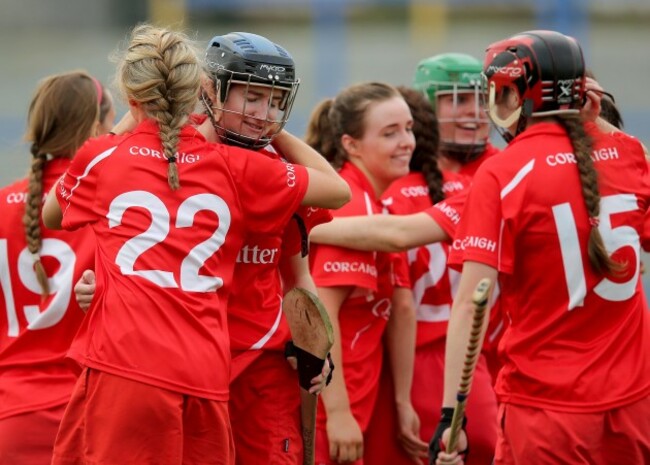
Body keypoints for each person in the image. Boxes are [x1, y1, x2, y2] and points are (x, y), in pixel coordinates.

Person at [42, 24, 349, 465]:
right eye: (253, 97)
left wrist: (317, 346)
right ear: (208, 90)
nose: (264, 112)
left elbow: (298, 271)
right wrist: (98, 289)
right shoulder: (232, 167)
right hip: (196, 362)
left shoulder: (249, 164)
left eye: (277, 102)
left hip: (251, 364)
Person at [432, 30, 650, 465]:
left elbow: (469, 305)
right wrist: (593, 119)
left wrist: (449, 415)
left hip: (546, 409)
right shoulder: (629, 154)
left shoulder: (501, 174)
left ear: (516, 94)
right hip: (635, 404)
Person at [360, 87, 497, 465]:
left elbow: (400, 303)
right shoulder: (479, 187)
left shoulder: (388, 198)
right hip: (469, 365)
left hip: (406, 365)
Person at [0, 70, 108, 465]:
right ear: (97, 127)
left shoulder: (3, 203)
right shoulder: (106, 207)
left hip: (10, 419)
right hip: (84, 418)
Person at [305, 81, 415, 465]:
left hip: (357, 402)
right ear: (351, 145)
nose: (407, 142)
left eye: (409, 128)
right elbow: (320, 314)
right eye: (390, 133)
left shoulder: (378, 205)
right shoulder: (352, 208)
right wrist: (337, 414)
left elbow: (401, 309)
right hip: (326, 414)